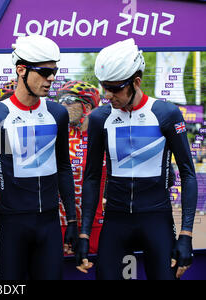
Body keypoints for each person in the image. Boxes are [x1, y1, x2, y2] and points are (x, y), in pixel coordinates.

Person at [77, 38, 198, 280]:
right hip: (116, 220)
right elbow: (91, 177)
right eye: (104, 87)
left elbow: (188, 173)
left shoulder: (165, 114)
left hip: (157, 219)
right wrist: (84, 234)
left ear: (136, 82)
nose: (108, 95)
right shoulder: (101, 118)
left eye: (115, 88)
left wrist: (186, 234)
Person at [0, 35, 77, 280]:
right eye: (44, 72)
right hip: (12, 226)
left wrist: (72, 220)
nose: (51, 78)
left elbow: (63, 167)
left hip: (50, 225)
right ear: (21, 70)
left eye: (53, 71)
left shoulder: (57, 114)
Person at [57, 81, 106, 255]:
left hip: (94, 224)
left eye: (69, 100)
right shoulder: (57, 135)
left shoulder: (102, 136)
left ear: (86, 106)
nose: (62, 105)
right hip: (61, 223)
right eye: (60, 100)